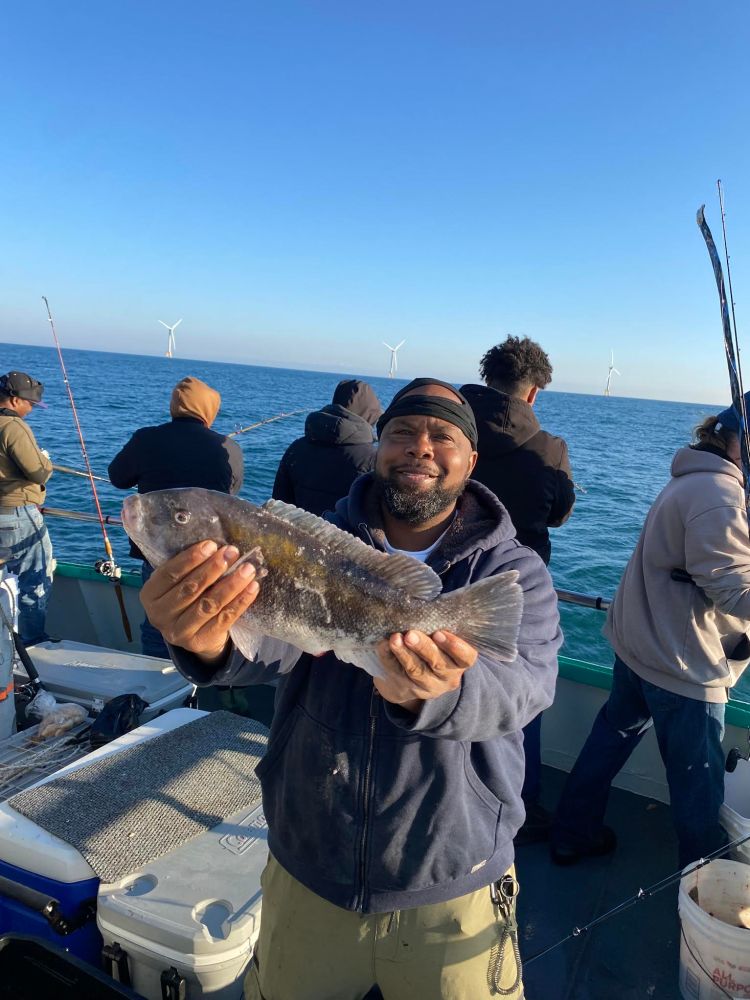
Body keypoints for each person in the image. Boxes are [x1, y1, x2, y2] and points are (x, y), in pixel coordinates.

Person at [142, 377, 561, 1000]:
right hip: (310, 862)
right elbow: (276, 645)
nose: (420, 446)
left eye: (442, 436)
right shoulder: (310, 541)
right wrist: (205, 642)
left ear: (470, 460)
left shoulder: (514, 572)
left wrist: (435, 693)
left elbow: (524, 689)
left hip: (454, 874)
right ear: (377, 448)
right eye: (401, 432)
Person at [550, 401, 750, 870]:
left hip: (638, 647)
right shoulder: (719, 494)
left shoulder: (691, 478)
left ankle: (571, 833)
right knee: (696, 784)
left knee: (610, 739)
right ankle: (702, 883)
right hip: (683, 667)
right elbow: (731, 588)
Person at [460, 336, 575, 843]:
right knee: (520, 689)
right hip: (518, 584)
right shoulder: (549, 449)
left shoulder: (452, 431)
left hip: (447, 576)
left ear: (489, 378)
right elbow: (559, 513)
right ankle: (520, 804)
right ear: (533, 393)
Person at [108, 376, 244, 659]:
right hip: (211, 557)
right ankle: (198, 683)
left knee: (158, 621)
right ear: (210, 410)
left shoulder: (146, 438)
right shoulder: (227, 447)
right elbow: (233, 494)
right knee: (206, 622)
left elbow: (117, 477)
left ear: (174, 405)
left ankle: (158, 683)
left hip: (157, 551)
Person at [273, 378, 382, 516]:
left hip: (295, 535)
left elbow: (278, 508)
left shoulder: (295, 449)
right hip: (345, 537)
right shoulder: (375, 459)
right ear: (370, 415)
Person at [0, 371, 54, 646]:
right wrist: (46, 461)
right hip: (18, 516)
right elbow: (37, 473)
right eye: (30, 403)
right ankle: (33, 642)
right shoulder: (14, 427)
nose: (31, 408)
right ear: (14, 399)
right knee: (36, 579)